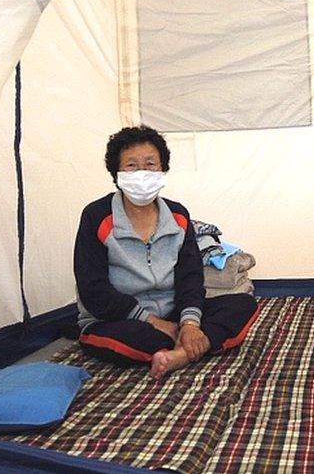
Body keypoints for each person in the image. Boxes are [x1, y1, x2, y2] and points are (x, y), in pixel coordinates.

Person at [74, 126, 259, 378]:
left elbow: (191, 278)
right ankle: (198, 344)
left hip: (173, 313)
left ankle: (181, 353)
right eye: (131, 165)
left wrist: (190, 323)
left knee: (243, 304)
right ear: (116, 173)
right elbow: (93, 289)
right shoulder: (96, 216)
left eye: (150, 164)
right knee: (140, 339)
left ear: (162, 169)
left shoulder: (178, 216)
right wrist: (155, 323)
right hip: (119, 318)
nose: (142, 172)